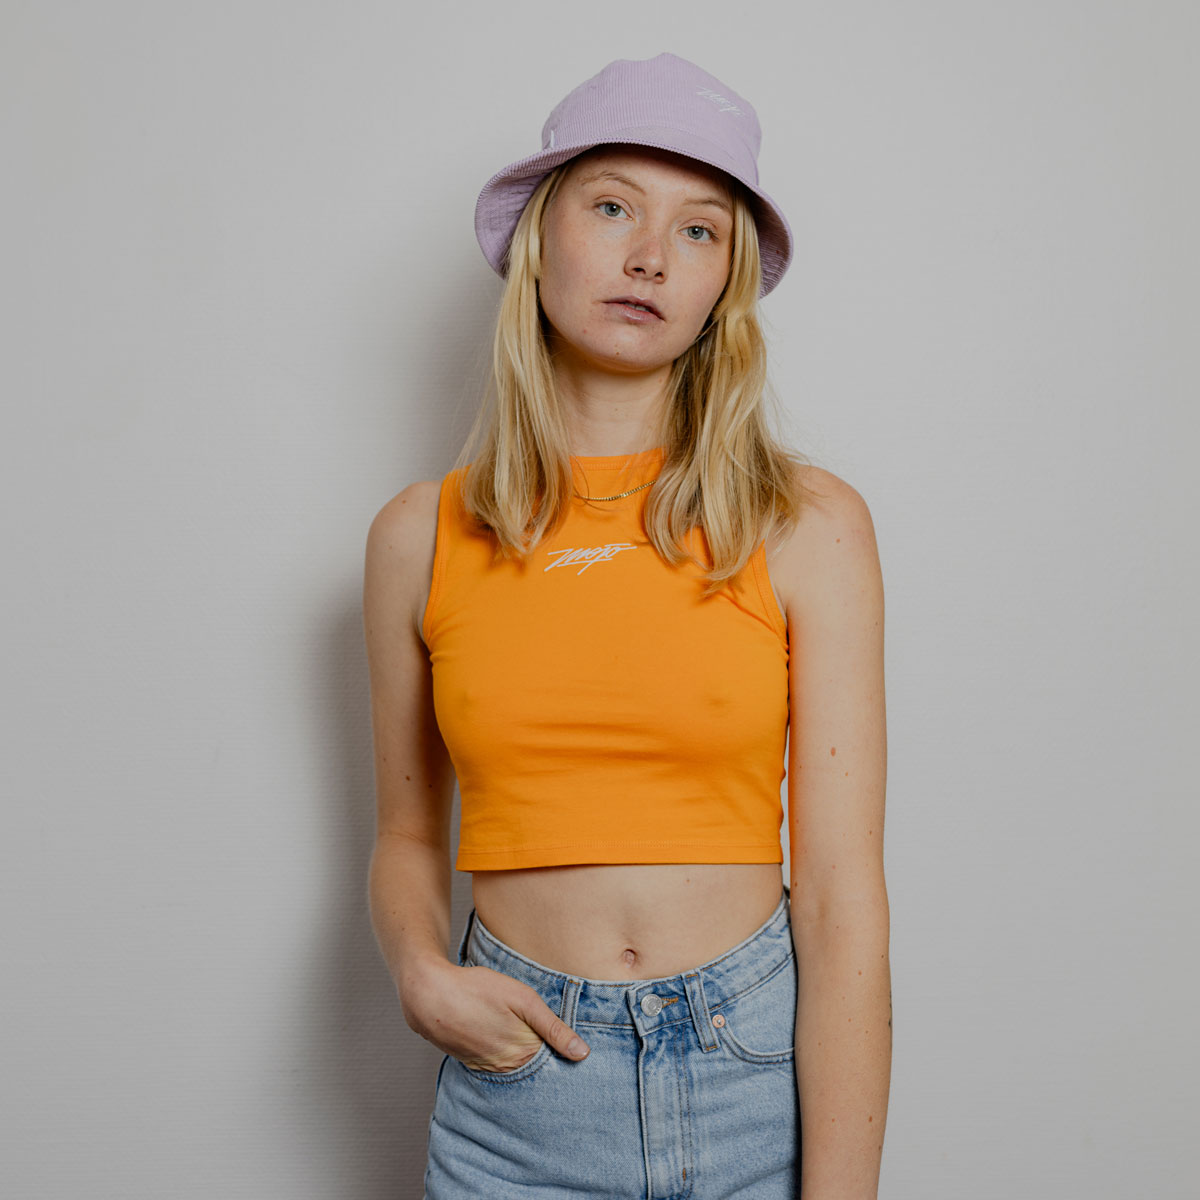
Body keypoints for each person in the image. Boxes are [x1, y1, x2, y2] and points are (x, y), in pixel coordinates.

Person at [363, 52, 890, 1199]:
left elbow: (844, 896)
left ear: (723, 287)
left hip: (752, 1078)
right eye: (613, 207)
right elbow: (405, 833)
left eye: (700, 231)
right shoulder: (419, 535)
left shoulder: (806, 524)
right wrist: (418, 970)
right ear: (538, 237)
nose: (652, 254)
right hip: (516, 1098)